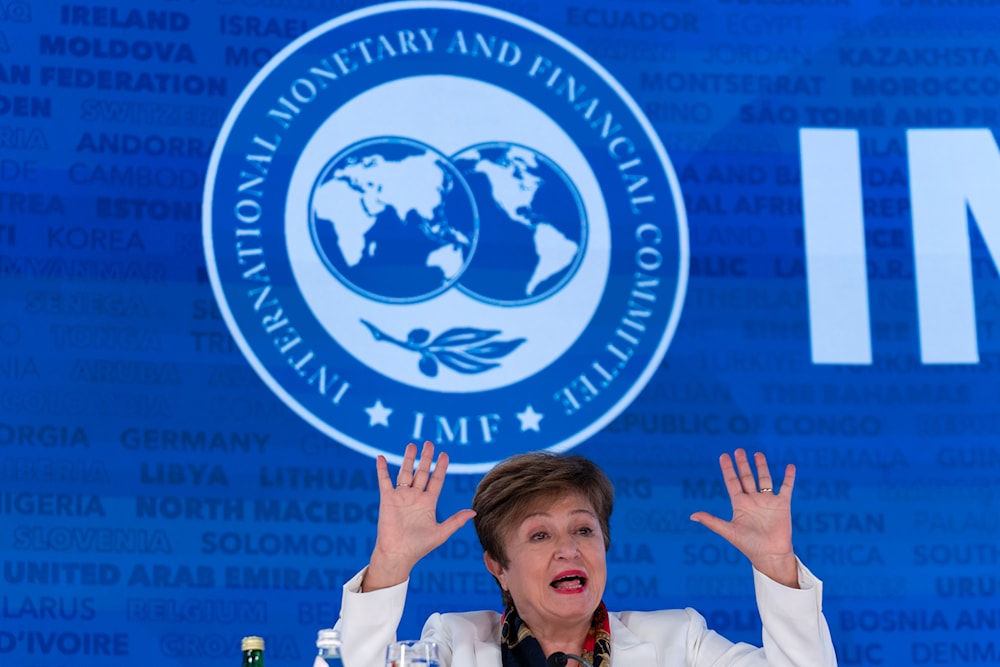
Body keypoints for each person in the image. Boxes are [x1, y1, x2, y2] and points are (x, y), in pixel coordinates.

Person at [335, 441, 837, 666]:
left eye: (583, 530)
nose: (568, 549)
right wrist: (391, 565)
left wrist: (775, 566)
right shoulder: (454, 645)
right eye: (539, 536)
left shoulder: (679, 644)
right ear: (498, 567)